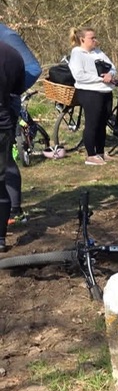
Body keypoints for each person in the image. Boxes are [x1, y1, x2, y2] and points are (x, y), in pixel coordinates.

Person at [0, 22, 42, 235]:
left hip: (6, 104)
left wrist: (8, 89)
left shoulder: (7, 35)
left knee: (5, 158)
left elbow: (33, 68)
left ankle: (13, 209)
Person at [68, 27, 116, 166]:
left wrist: (110, 74)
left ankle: (100, 152)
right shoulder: (77, 54)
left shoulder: (98, 52)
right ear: (82, 39)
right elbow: (79, 75)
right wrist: (100, 79)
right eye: (92, 38)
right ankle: (91, 155)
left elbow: (112, 67)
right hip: (89, 92)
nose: (95, 40)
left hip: (105, 91)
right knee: (92, 123)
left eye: (95, 37)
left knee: (102, 123)